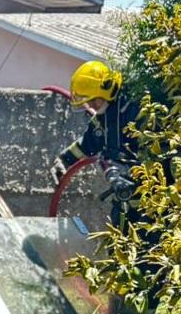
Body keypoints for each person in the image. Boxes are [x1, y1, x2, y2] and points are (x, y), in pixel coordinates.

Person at [52, 60, 141, 209]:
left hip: (150, 201)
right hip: (123, 196)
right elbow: (88, 144)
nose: (91, 106)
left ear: (105, 91)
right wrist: (63, 161)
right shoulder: (104, 117)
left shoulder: (134, 111)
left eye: (93, 101)